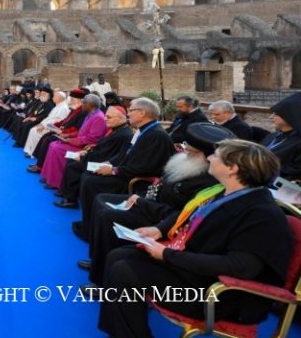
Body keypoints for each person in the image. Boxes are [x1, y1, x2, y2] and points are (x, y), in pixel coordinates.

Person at [97, 139, 292, 338]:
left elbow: (240, 266)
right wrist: (159, 229)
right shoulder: (225, 192)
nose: (209, 158)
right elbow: (188, 216)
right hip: (197, 271)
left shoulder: (262, 215)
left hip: (218, 294)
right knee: (118, 255)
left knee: (125, 270)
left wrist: (167, 255)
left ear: (232, 168)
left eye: (215, 156)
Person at [81, 122, 234, 286]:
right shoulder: (189, 163)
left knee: (109, 215)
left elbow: (182, 213)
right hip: (150, 203)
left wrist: (141, 202)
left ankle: (101, 278)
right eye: (185, 148)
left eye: (190, 151)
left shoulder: (209, 180)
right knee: (101, 200)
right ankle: (98, 260)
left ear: (206, 156)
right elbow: (161, 185)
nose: (184, 152)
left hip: (161, 217)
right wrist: (140, 198)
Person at [73, 97, 176, 239]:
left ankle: (91, 230)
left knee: (91, 182)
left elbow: (145, 167)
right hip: (128, 173)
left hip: (138, 181)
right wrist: (111, 165)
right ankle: (89, 225)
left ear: (142, 113)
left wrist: (114, 170)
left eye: (131, 110)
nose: (128, 114)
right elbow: (129, 156)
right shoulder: (145, 131)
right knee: (88, 176)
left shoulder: (156, 135)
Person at [41, 94, 106, 189]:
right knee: (52, 144)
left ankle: (57, 182)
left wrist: (70, 140)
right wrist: (67, 135)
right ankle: (50, 177)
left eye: (84, 103)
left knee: (56, 148)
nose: (82, 105)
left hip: (84, 147)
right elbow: (81, 131)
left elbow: (92, 139)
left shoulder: (98, 118)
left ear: (90, 105)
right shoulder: (90, 114)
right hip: (78, 143)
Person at [262, 92, 301, 179]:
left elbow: (295, 171)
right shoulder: (272, 136)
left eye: (276, 114)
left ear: (290, 117)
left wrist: (262, 167)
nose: (270, 117)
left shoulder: (298, 143)